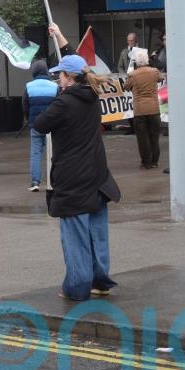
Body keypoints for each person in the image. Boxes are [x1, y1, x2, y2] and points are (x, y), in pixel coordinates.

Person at [34, 54, 120, 301]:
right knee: (97, 233)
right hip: (98, 174)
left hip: (73, 177)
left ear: (69, 78)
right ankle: (100, 280)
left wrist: (58, 97)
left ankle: (77, 286)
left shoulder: (64, 102)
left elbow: (40, 124)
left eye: (60, 75)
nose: (58, 79)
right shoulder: (92, 95)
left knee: (75, 236)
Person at [124, 47, 164, 169]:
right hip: (154, 109)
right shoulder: (154, 71)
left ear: (136, 61)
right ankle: (154, 161)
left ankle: (146, 162)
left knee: (143, 138)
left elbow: (126, 87)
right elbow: (161, 78)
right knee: (154, 137)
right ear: (147, 60)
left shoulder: (132, 75)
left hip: (140, 110)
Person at [23, 59, 58, 192]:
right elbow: (59, 106)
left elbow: (25, 106)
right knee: (54, 153)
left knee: (36, 153)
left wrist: (29, 120)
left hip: (36, 124)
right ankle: (54, 181)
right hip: (52, 125)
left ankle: (35, 182)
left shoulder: (29, 86)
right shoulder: (54, 86)